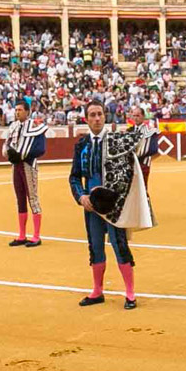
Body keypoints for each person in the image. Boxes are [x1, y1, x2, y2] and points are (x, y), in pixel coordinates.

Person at [70, 101, 137, 309]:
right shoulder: (81, 145)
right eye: (92, 115)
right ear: (86, 119)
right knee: (95, 246)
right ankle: (97, 291)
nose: (97, 118)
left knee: (120, 246)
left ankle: (130, 293)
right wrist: (81, 197)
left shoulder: (116, 141)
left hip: (113, 205)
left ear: (105, 116)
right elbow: (74, 177)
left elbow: (128, 173)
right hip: (91, 205)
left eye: (100, 114)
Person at [0, 102, 48, 247]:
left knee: (33, 199)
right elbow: (6, 144)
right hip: (16, 166)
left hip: (28, 165)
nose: (17, 112)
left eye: (20, 110)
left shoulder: (35, 125)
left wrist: (23, 155)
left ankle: (36, 236)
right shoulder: (13, 126)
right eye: (16, 110)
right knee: (20, 199)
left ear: (27, 112)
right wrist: (9, 154)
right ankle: (22, 235)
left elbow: (40, 148)